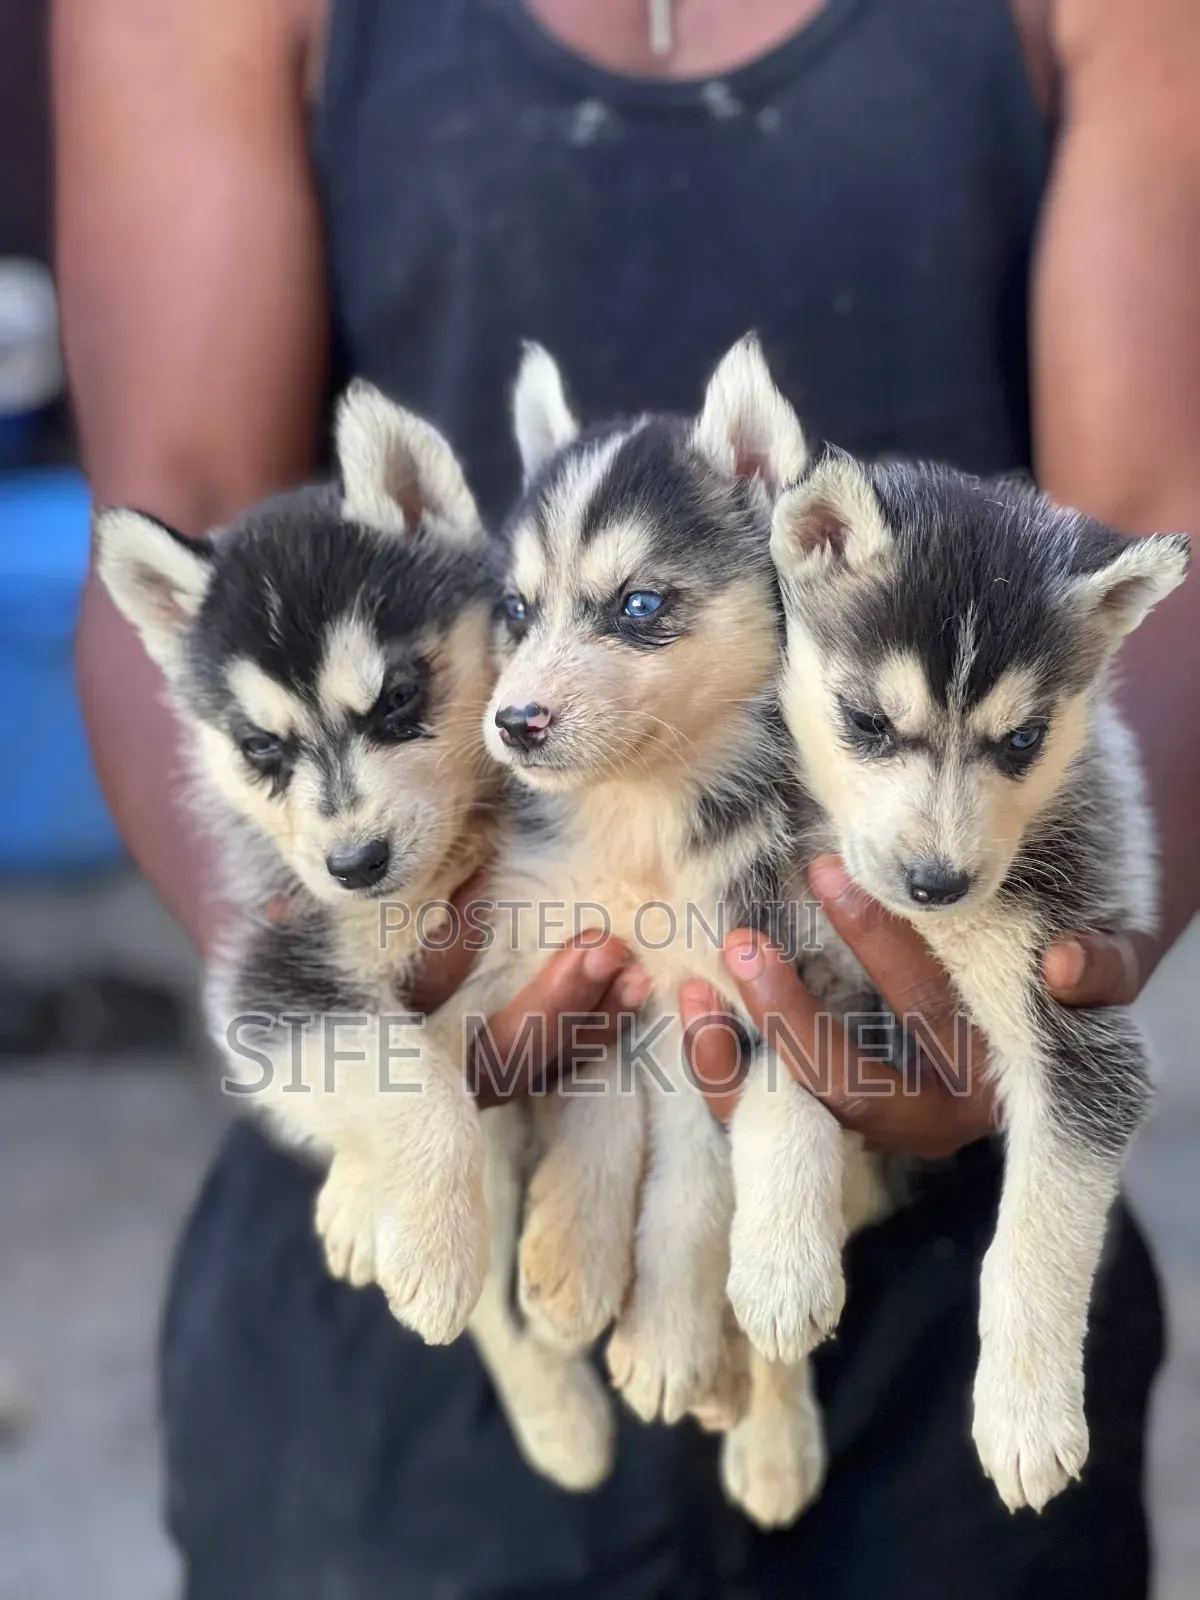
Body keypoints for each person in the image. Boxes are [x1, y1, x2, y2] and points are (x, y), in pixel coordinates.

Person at [54, 0, 1200, 1595]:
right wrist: (359, 1000)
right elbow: (178, 536)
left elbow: (1158, 528)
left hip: (934, 1189)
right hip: (417, 1244)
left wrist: (1066, 952)